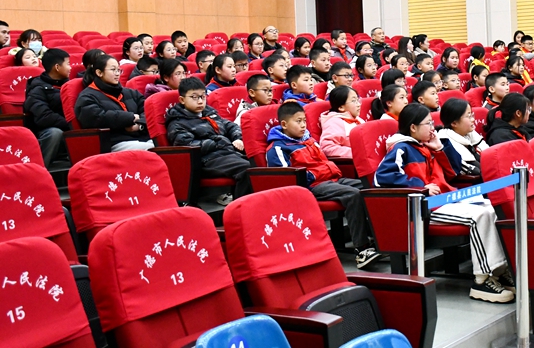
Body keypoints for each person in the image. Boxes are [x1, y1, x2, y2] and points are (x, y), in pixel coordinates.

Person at [376, 103, 514, 302]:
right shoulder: (401, 148)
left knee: (491, 208)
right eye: (428, 124)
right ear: (413, 127)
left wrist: (440, 149)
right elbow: (382, 177)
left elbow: (453, 171)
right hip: (426, 206)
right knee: (479, 216)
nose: (433, 128)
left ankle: (498, 271)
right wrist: (420, 187)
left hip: (447, 198)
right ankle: (482, 280)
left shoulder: (429, 146)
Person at [268, 101, 382, 268]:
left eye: (304, 121)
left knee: (369, 188)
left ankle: (380, 240)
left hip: (332, 178)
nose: (303, 125)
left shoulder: (309, 140)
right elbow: (286, 177)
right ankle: (362, 249)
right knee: (352, 195)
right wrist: (313, 175)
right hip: (313, 186)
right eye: (298, 121)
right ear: (284, 124)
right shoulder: (278, 148)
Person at [166, 77, 251, 205]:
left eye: (203, 96)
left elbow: (230, 126)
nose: (200, 101)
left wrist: (237, 138)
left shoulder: (210, 113)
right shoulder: (177, 123)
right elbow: (187, 146)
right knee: (246, 169)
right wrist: (218, 142)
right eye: (194, 97)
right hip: (207, 159)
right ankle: (241, 210)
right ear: (182, 100)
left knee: (259, 163)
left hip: (226, 153)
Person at [74, 55, 153, 152]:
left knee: (162, 146)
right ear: (99, 73)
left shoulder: (130, 92)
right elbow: (97, 118)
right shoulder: (87, 96)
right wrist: (130, 117)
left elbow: (148, 110)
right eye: (113, 70)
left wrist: (140, 125)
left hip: (141, 137)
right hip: (114, 142)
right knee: (152, 150)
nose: (117, 73)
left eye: (119, 70)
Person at [23, 48, 71, 169]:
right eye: (68, 64)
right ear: (57, 67)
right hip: (44, 131)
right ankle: (39, 169)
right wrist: (70, 124)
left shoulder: (69, 85)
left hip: (68, 126)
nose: (70, 68)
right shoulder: (37, 89)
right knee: (54, 133)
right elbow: (44, 117)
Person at [319, 86, 365, 157]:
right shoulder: (333, 123)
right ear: (341, 107)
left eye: (358, 100)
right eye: (353, 101)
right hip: (353, 160)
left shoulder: (358, 119)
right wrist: (356, 153)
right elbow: (327, 147)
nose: (359, 104)